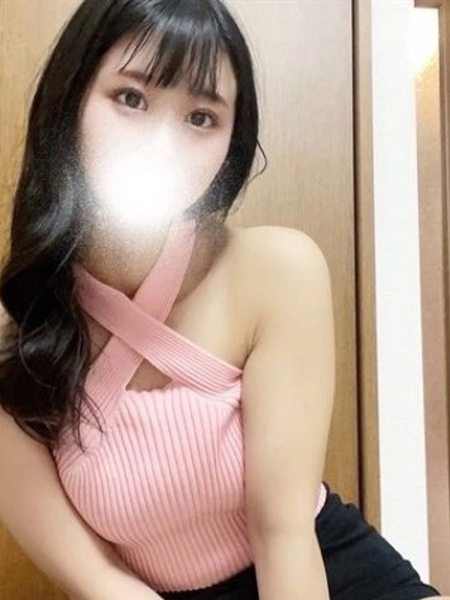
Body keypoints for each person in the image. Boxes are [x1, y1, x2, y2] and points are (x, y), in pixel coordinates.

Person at [0, 1, 445, 600]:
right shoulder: (16, 338)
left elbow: (282, 532)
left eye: (201, 117)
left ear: (230, 143)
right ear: (70, 101)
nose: (162, 143)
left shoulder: (276, 269)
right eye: (130, 98)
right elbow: (96, 579)